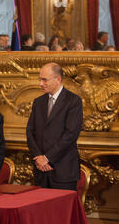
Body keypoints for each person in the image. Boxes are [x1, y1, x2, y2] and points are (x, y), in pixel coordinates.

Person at [26, 63, 83, 191]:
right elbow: (30, 132)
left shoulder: (73, 101)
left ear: (57, 79)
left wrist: (47, 158)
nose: (41, 83)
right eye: (40, 79)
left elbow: (70, 134)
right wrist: (39, 158)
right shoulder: (38, 102)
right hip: (40, 171)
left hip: (63, 172)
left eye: (44, 79)